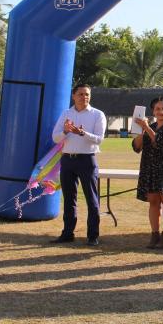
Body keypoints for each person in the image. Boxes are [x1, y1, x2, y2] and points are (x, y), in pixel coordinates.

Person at [50, 84, 107, 246]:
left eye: (87, 94)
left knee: (92, 199)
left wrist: (82, 133)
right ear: (73, 96)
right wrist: (66, 132)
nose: (84, 97)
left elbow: (99, 139)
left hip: (87, 160)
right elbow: (55, 138)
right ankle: (67, 233)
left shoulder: (97, 114)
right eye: (81, 94)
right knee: (69, 199)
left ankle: (93, 235)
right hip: (68, 160)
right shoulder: (66, 113)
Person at [132, 95, 163, 249]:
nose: (161, 112)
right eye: (157, 109)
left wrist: (147, 128)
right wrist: (142, 131)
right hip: (149, 166)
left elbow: (162, 144)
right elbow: (136, 147)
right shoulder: (149, 126)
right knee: (153, 201)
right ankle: (154, 235)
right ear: (153, 112)